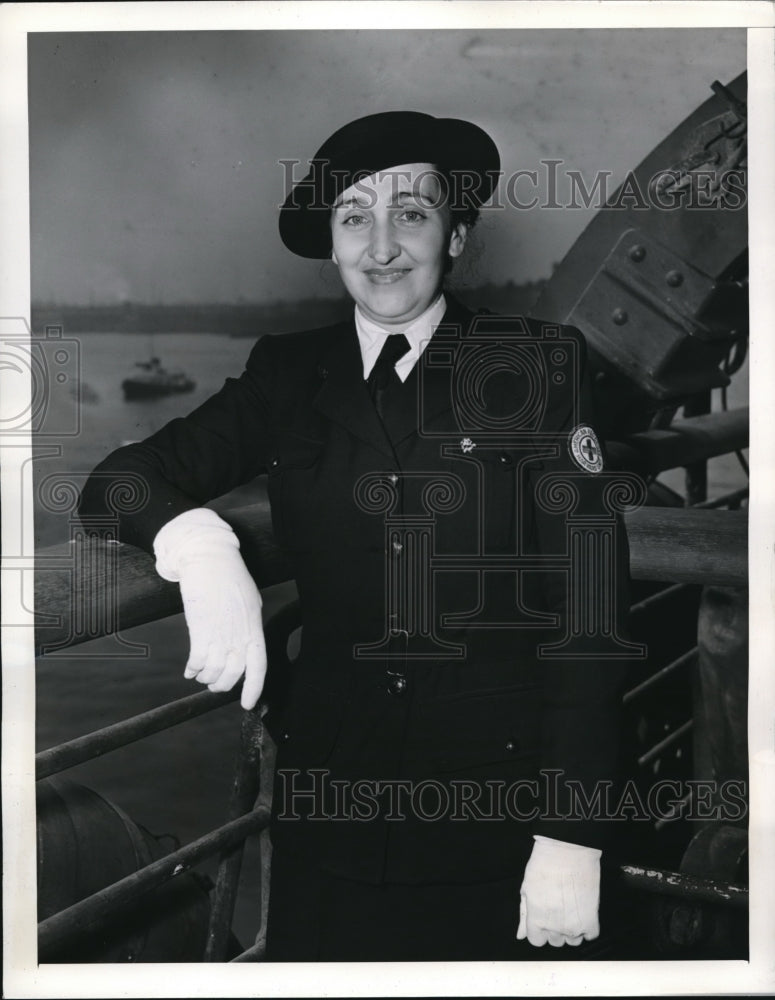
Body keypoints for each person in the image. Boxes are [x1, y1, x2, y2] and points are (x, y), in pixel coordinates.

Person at [79, 111, 635, 961]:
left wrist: (572, 837)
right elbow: (114, 484)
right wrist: (198, 545)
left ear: (457, 233)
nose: (381, 247)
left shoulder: (535, 364)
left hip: (495, 823)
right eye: (352, 219)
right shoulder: (289, 373)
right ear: (332, 245)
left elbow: (588, 617)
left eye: (410, 214)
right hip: (327, 818)